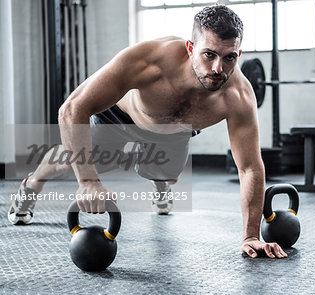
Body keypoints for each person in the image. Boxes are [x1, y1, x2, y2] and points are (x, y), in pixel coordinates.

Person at [8, 5, 287, 259]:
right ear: (191, 47)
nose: (218, 68)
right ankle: (31, 185)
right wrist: (89, 181)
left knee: (168, 174)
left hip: (174, 132)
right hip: (120, 119)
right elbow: (71, 109)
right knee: (70, 161)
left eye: (229, 58)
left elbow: (250, 167)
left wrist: (251, 236)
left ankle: (158, 181)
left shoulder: (239, 95)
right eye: (209, 54)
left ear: (239, 54)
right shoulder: (149, 61)